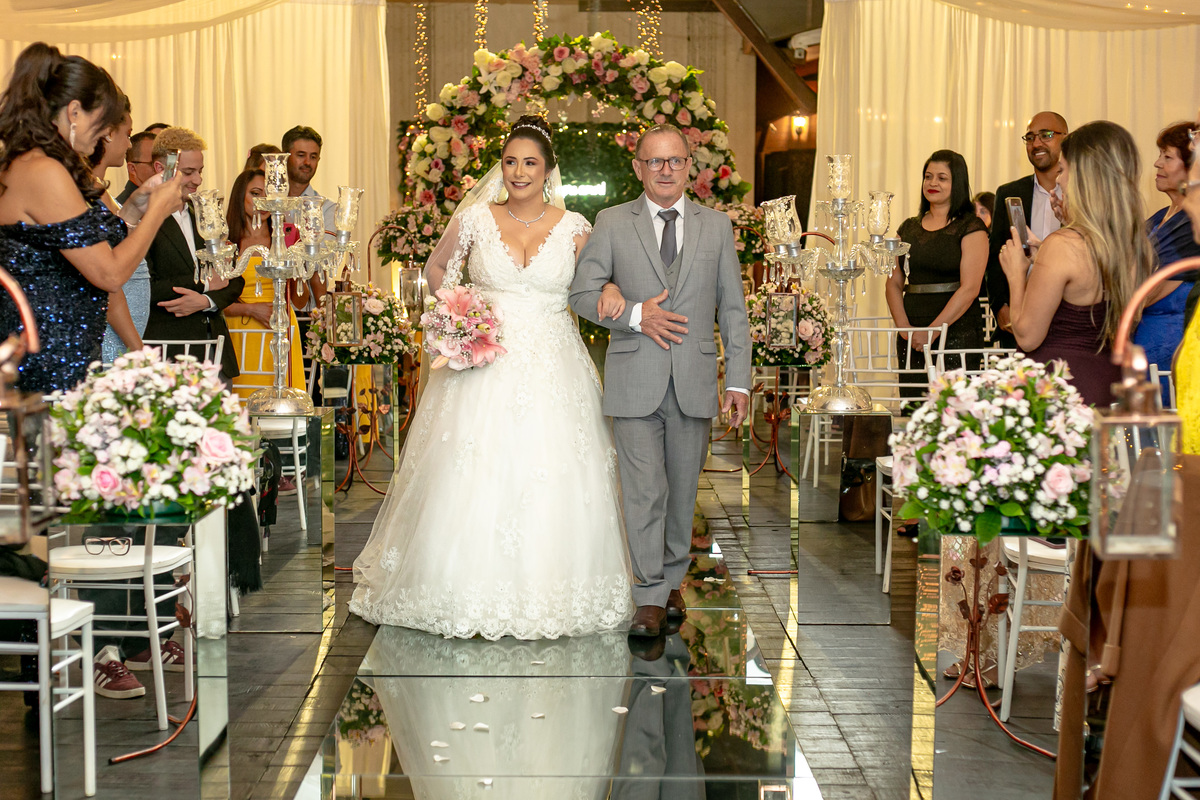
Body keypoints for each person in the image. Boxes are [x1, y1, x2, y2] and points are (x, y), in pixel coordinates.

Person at [350, 115, 633, 640]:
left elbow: (598, 281)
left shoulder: (575, 227)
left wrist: (613, 290)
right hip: (484, 360)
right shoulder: (476, 219)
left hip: (554, 364)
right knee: (473, 466)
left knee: (553, 468)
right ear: (500, 168)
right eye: (510, 162)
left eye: (530, 163)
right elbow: (438, 270)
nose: (519, 172)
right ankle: (457, 586)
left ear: (548, 170)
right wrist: (457, 312)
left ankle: (552, 588)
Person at [570, 123, 752, 638]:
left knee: (681, 494)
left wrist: (739, 382)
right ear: (638, 168)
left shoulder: (716, 227)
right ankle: (648, 595)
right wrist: (633, 315)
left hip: (694, 379)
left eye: (675, 160)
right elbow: (581, 294)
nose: (665, 170)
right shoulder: (612, 222)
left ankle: (672, 581)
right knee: (643, 491)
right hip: (634, 379)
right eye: (655, 161)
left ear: (689, 165)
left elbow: (733, 310)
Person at [0, 42, 183, 395]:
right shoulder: (43, 170)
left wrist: (134, 209)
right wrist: (158, 211)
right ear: (74, 112)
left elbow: (82, 246)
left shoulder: (29, 163)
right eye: (103, 121)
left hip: (55, 352)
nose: (105, 134)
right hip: (49, 360)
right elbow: (108, 274)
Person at [1000, 121, 1155, 407]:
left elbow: (1027, 336)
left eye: (1063, 170)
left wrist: (1016, 274)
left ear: (1085, 177)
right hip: (1110, 385)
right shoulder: (1135, 245)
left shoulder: (1062, 245)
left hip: (1062, 391)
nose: (1058, 180)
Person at [141, 126, 244, 381]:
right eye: (188, 172)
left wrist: (206, 301)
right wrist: (205, 284)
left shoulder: (206, 215)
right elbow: (144, 287)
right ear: (161, 169)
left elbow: (234, 278)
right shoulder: (142, 219)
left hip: (217, 354)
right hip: (168, 355)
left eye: (200, 171)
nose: (198, 180)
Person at [884, 149, 988, 390]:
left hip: (957, 328)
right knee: (914, 405)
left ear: (957, 183)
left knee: (956, 405)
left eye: (942, 178)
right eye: (928, 176)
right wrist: (904, 329)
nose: (932, 183)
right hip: (912, 331)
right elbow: (893, 282)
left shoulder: (972, 227)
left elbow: (970, 288)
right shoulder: (907, 228)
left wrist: (933, 331)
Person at [986, 111, 1070, 348]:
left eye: (1046, 135)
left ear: (1066, 139)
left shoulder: (1081, 195)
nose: (1036, 143)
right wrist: (1000, 306)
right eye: (1030, 137)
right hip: (1019, 315)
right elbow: (995, 256)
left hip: (1069, 314)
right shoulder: (1009, 193)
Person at [222, 167, 305, 399]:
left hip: (280, 328)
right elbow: (215, 300)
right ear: (240, 197)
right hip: (239, 330)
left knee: (283, 401)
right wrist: (250, 309)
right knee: (243, 403)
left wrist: (299, 269)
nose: (264, 201)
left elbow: (300, 301)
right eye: (256, 193)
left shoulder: (287, 237)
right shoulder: (225, 241)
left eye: (269, 194)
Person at [1133, 121, 1200, 404]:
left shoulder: (1191, 226)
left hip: (1167, 355)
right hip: (1141, 353)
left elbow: (1145, 293)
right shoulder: (1160, 217)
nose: (1157, 163)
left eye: (1167, 156)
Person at [90, 100, 151, 363]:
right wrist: (136, 346)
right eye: (127, 135)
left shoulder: (99, 188)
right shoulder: (82, 190)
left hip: (125, 322)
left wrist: (136, 208)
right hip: (111, 326)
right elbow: (106, 277)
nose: (128, 145)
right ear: (107, 133)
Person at [115, 130, 155, 204]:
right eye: (152, 164)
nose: (161, 170)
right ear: (132, 168)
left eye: (164, 163)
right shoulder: (121, 207)